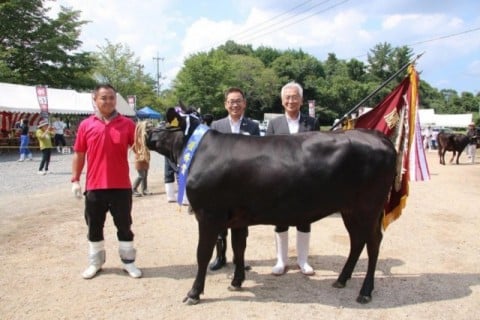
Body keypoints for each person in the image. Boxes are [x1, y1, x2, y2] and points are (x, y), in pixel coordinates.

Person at [71, 84, 142, 279]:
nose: (108, 101)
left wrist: (143, 154)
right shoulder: (86, 125)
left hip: (121, 187)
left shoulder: (127, 125)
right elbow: (79, 153)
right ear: (95, 100)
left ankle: (129, 262)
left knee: (124, 226)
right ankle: (96, 263)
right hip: (95, 186)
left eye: (111, 97)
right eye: (104, 98)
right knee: (94, 226)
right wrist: (75, 179)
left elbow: (139, 151)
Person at [266, 81, 320, 276]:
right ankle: (281, 260)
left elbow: (317, 151)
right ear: (282, 101)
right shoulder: (274, 124)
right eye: (287, 97)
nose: (291, 100)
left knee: (304, 220)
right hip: (279, 181)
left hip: (305, 181)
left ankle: (303, 260)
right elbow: (267, 151)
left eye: (294, 97)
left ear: (301, 100)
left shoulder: (311, 123)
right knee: (280, 220)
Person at [208, 87, 260, 271]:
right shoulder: (216, 126)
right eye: (231, 101)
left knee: (242, 225)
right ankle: (220, 257)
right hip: (221, 184)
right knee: (219, 224)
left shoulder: (253, 126)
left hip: (244, 184)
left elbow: (257, 154)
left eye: (238, 101)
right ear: (225, 104)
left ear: (244, 103)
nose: (235, 105)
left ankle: (240, 259)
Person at [132, 121, 152, 197]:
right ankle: (133, 189)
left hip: (145, 158)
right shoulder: (137, 138)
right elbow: (134, 147)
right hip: (140, 158)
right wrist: (139, 153)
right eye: (147, 127)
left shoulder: (146, 137)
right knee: (141, 175)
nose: (148, 129)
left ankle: (144, 189)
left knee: (145, 175)